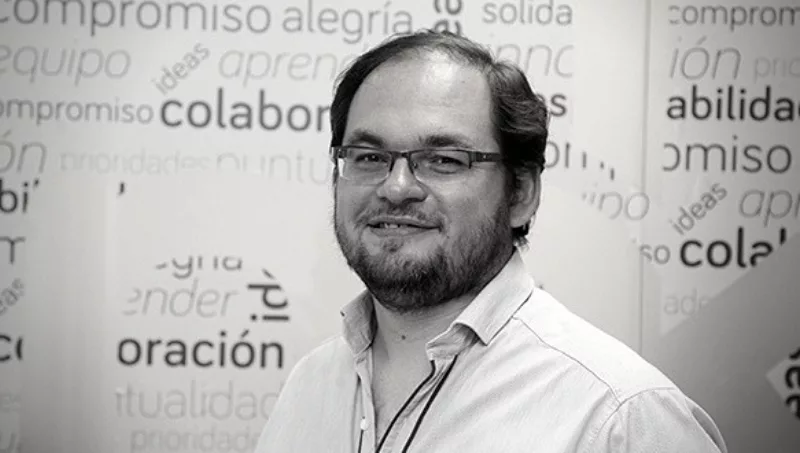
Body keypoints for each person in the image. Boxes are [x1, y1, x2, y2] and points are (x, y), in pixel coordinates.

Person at [255, 30, 728, 453]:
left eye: (444, 160)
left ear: (520, 193)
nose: (396, 187)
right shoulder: (309, 386)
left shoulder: (620, 418)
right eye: (369, 156)